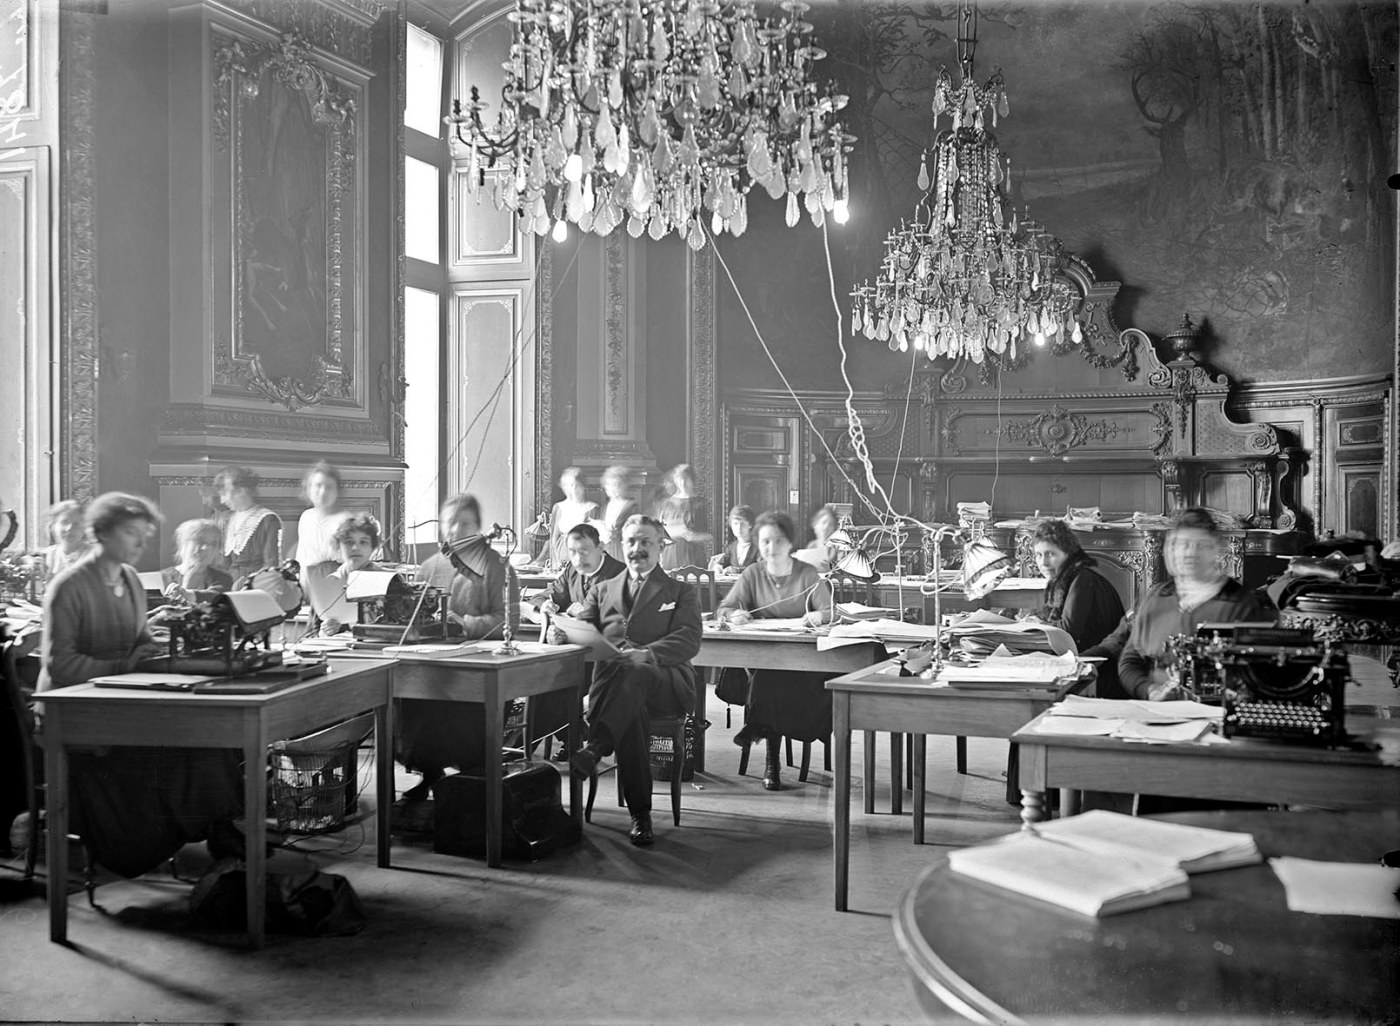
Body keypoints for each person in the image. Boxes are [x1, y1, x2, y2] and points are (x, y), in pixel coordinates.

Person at [38, 493, 243, 877]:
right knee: (189, 748)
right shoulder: (69, 586)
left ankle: (220, 831)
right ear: (100, 533)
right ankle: (156, 841)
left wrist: (153, 638)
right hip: (75, 711)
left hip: (122, 701)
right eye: (131, 533)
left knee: (213, 735)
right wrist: (124, 664)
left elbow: (134, 640)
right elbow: (59, 664)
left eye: (143, 534)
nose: (139, 543)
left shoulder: (129, 578)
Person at [560, 515, 701, 847]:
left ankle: (596, 747)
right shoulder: (602, 590)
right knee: (631, 713)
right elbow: (583, 632)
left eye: (646, 542)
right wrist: (562, 633)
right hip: (619, 692)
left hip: (665, 684)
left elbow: (689, 639)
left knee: (636, 672)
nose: (638, 549)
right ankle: (641, 815)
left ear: (661, 546)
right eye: (631, 542)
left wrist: (647, 654)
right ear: (621, 546)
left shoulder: (681, 591)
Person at [399, 494, 521, 800]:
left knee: (463, 721)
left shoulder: (497, 566)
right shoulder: (430, 566)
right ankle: (430, 773)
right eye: (449, 522)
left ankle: (472, 785)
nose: (455, 529)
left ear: (478, 526)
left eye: (464, 523)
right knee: (406, 706)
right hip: (433, 666)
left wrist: (463, 623)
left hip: (480, 668)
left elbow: (508, 620)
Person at [1006, 519, 1125, 804]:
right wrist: (1035, 620)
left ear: (1067, 553)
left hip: (1098, 669)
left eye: (1051, 554)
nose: (1043, 562)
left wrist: (1037, 623)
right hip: (1076, 660)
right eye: (1038, 554)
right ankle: (1031, 782)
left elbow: (1070, 629)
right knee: (1029, 692)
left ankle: (1041, 785)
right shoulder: (1063, 579)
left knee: (1035, 699)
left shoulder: (1082, 579)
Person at [714, 510, 834, 792]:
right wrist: (733, 615)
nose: (771, 547)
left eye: (778, 541)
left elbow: (831, 611)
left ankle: (761, 738)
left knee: (772, 677)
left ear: (790, 542)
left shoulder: (807, 573)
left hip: (804, 666)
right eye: (765, 541)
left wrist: (818, 616)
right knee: (771, 673)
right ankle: (769, 759)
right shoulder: (752, 574)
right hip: (763, 660)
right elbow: (725, 608)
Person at [1119, 507, 1272, 701]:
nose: (1189, 553)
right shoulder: (1156, 598)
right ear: (1170, 549)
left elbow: (1257, 678)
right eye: (1182, 545)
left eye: (1200, 545)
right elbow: (1130, 661)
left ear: (1215, 549)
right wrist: (1150, 690)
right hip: (1156, 711)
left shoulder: (1241, 606)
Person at [534, 523, 626, 757]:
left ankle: (524, 750)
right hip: (574, 655)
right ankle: (570, 736)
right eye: (572, 552)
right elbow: (545, 595)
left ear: (601, 547)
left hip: (606, 660)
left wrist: (585, 615)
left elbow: (621, 622)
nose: (577, 558)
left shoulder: (619, 574)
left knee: (555, 689)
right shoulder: (572, 571)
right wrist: (547, 607)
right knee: (541, 683)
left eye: (584, 551)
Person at [319, 513, 384, 636]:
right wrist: (324, 632)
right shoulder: (327, 584)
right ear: (339, 546)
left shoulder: (389, 582)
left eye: (363, 542)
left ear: (373, 547)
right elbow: (310, 634)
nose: (355, 548)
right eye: (349, 542)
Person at [216, 464, 282, 581]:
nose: (222, 500)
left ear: (241, 491)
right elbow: (224, 564)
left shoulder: (268, 519)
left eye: (224, 494)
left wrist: (249, 585)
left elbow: (271, 564)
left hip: (256, 584)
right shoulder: (227, 519)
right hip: (229, 583)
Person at [294, 461, 349, 579]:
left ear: (337, 491)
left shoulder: (346, 520)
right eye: (318, 486)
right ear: (308, 488)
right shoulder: (306, 517)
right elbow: (301, 559)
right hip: (307, 582)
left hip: (336, 582)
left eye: (329, 487)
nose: (323, 492)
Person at [160, 518, 233, 605]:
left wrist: (187, 593)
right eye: (200, 541)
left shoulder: (222, 578)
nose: (206, 548)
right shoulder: (162, 577)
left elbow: (217, 597)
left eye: (213, 544)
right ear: (183, 544)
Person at [655, 463, 711, 569]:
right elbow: (659, 530)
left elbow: (710, 535)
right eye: (680, 479)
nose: (683, 482)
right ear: (676, 481)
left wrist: (693, 536)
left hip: (692, 555)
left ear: (693, 480)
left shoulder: (700, 503)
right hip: (670, 554)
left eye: (686, 479)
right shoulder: (666, 503)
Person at [548, 467, 599, 569]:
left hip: (582, 556)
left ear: (584, 486)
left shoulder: (592, 508)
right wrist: (556, 561)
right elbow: (554, 538)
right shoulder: (559, 507)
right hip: (561, 556)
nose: (574, 489)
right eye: (570, 485)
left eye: (578, 485)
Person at [595, 465, 638, 562]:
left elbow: (634, 532)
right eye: (609, 485)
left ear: (624, 485)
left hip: (621, 550)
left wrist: (613, 534)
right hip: (606, 549)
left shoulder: (631, 507)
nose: (613, 488)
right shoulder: (604, 507)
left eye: (617, 484)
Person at [42, 499, 90, 583]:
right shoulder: (46, 556)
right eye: (64, 522)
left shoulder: (95, 555)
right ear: (53, 526)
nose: (69, 528)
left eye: (76, 524)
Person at [709, 504, 758, 575]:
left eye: (743, 524)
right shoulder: (731, 547)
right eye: (735, 524)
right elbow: (722, 562)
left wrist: (738, 570)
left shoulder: (758, 546)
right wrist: (718, 567)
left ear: (750, 525)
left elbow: (761, 568)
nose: (739, 527)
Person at [792, 504, 839, 572]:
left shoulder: (838, 548)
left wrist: (830, 569)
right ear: (815, 525)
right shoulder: (811, 545)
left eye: (830, 524)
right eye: (823, 523)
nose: (826, 527)